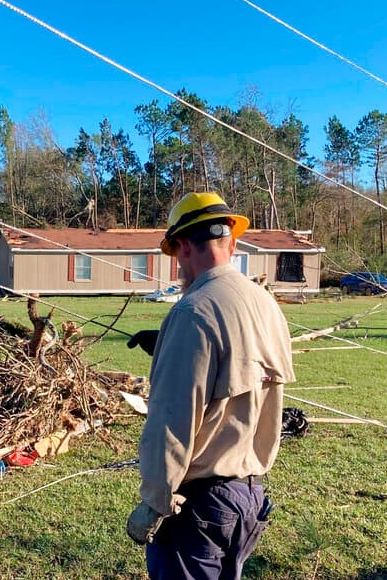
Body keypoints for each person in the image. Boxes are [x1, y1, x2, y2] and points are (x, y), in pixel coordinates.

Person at [126, 191, 295, 580]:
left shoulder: (193, 312)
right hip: (247, 497)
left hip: (196, 507)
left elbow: (172, 421)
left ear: (183, 246)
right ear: (231, 243)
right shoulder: (265, 303)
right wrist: (171, 346)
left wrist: (155, 502)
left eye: (175, 255)